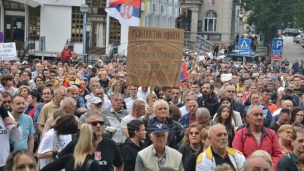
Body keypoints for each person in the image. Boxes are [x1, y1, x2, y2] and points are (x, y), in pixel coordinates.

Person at [57, 110, 124, 171]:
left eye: (101, 123)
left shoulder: (111, 144)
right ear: (86, 125)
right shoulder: (76, 143)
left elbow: (120, 165)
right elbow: (56, 164)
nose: (98, 126)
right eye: (94, 123)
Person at [232, 105, 282, 170]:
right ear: (248, 117)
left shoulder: (271, 133)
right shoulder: (240, 134)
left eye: (261, 115)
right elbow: (237, 156)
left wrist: (270, 168)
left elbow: (277, 154)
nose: (259, 117)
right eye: (256, 115)